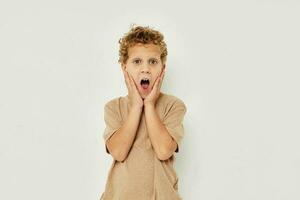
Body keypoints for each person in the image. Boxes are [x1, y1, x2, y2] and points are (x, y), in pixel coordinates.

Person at [100, 24, 187, 200]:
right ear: (125, 68)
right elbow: (118, 152)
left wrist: (149, 106)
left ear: (162, 68)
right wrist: (136, 107)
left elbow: (164, 151)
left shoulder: (173, 106)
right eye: (137, 61)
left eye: (153, 62)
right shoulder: (113, 107)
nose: (145, 68)